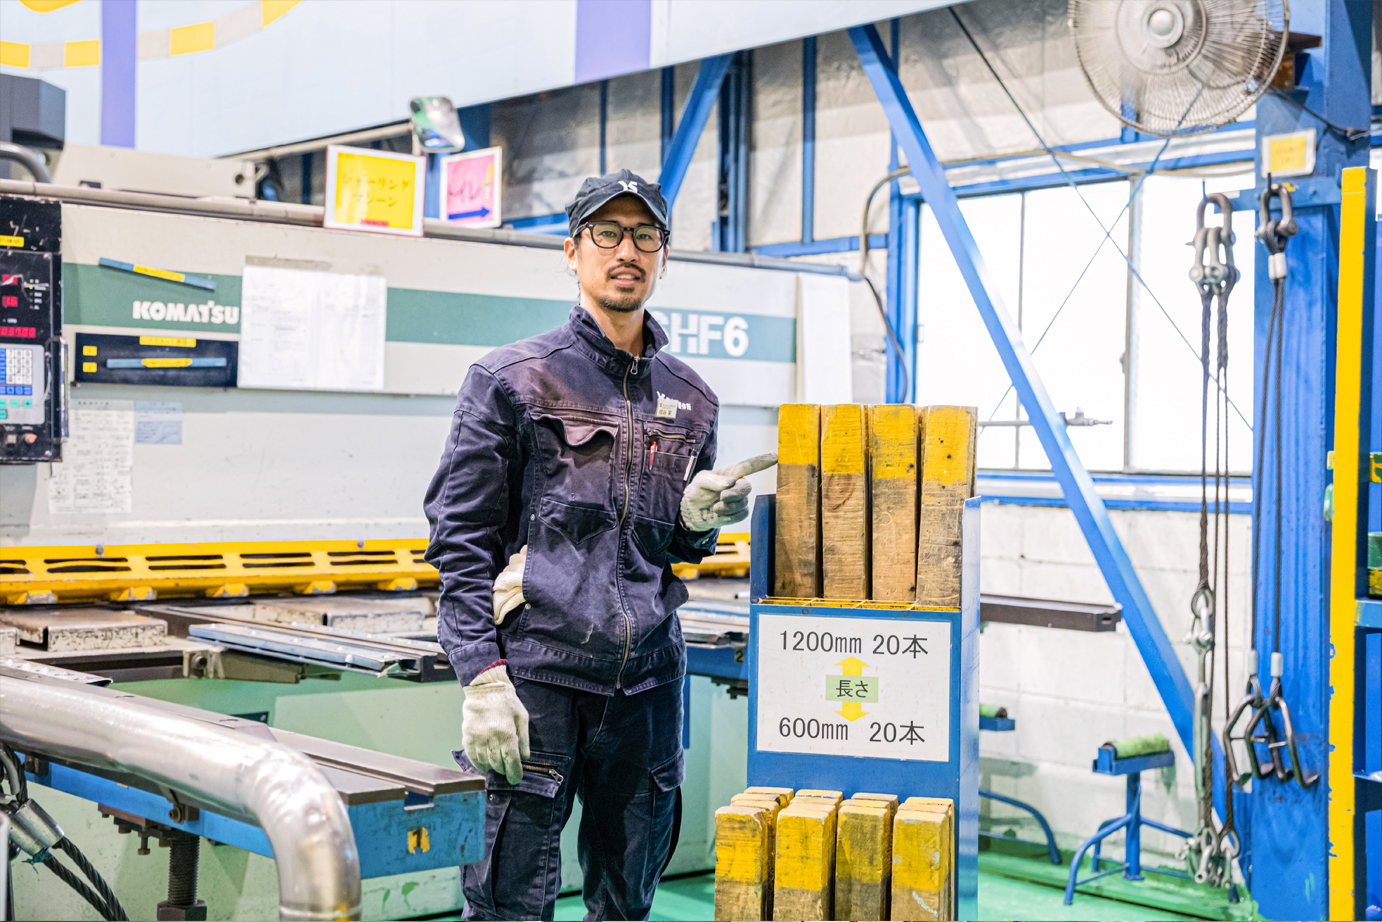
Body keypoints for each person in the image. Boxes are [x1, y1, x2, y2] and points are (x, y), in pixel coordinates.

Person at [424, 169, 774, 921]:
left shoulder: (692, 398)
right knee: (508, 903)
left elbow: (671, 551)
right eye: (608, 233)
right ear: (572, 250)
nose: (627, 251)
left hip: (648, 684)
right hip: (539, 678)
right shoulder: (511, 380)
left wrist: (699, 522)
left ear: (663, 255)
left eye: (645, 236)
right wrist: (481, 675)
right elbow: (460, 541)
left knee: (626, 904)